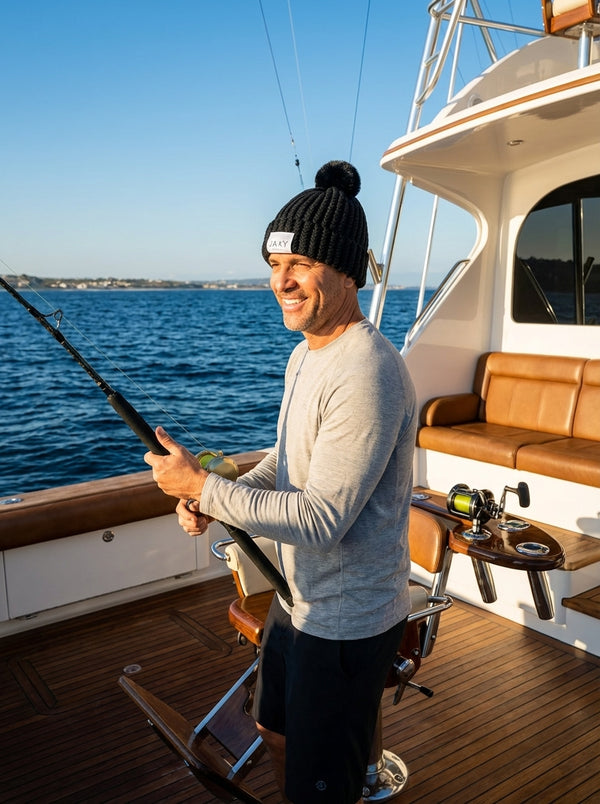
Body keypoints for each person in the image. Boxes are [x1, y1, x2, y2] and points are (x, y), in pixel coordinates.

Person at [145, 160, 417, 804]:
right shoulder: (306, 353)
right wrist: (210, 492)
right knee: (272, 730)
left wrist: (208, 490)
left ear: (345, 267)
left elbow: (324, 519)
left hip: (346, 622)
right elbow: (286, 468)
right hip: (298, 600)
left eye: (298, 264)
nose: (281, 282)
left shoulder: (367, 371)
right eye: (273, 266)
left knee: (323, 786)